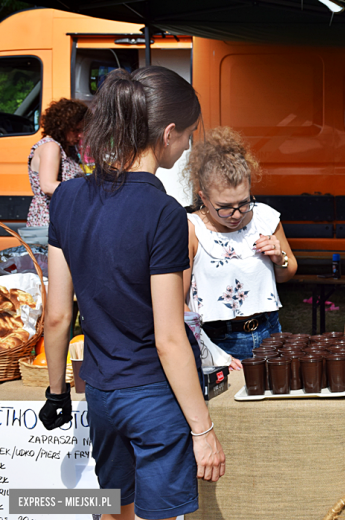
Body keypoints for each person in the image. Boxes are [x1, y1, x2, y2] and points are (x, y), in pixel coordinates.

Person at [40, 66, 225, 520]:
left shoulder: (65, 197)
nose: (187, 147)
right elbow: (168, 335)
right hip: (152, 396)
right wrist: (203, 431)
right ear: (167, 133)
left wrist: (56, 393)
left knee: (113, 508)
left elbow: (58, 315)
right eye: (188, 136)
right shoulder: (163, 212)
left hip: (100, 394)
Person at [184, 126, 297, 362]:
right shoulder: (192, 229)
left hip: (269, 331)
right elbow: (177, 302)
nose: (236, 214)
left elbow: (288, 273)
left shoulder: (265, 217)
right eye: (225, 207)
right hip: (217, 339)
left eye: (244, 203)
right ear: (203, 196)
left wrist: (279, 259)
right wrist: (210, 352)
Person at [27, 98, 87, 226]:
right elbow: (48, 186)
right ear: (62, 127)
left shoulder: (66, 149)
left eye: (82, 130)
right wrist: (87, 190)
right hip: (49, 221)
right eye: (76, 130)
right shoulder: (51, 147)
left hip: (61, 218)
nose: (81, 135)